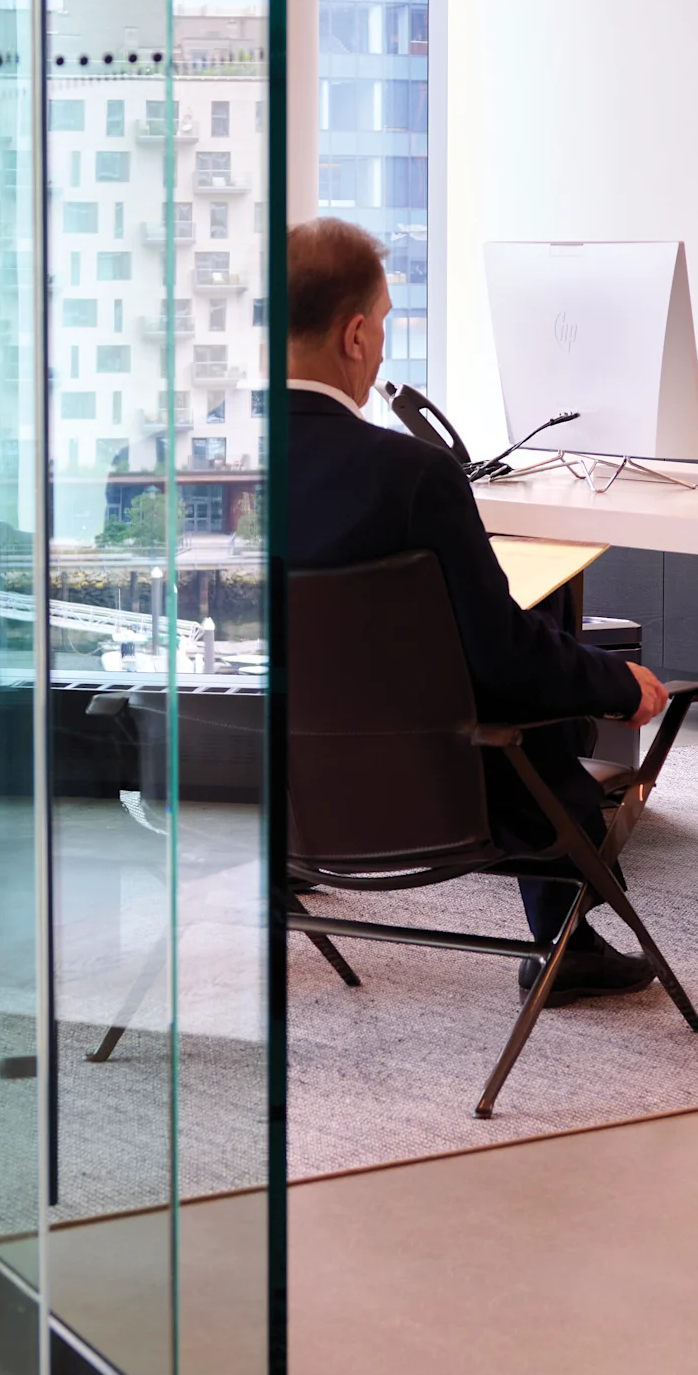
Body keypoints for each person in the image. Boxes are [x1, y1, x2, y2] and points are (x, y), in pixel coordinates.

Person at [279, 216, 674, 1002]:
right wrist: (616, 683)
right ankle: (563, 943)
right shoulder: (413, 475)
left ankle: (573, 943)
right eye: (386, 325)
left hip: (253, 794)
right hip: (432, 798)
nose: (384, 346)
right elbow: (502, 658)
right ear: (355, 336)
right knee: (545, 701)